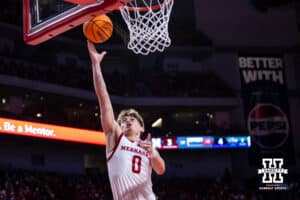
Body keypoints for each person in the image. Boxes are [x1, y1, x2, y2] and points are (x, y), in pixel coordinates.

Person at [87, 41, 166, 200]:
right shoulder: (116, 138)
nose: (128, 121)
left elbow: (161, 169)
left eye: (133, 119)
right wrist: (96, 65)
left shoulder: (147, 147)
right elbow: (104, 100)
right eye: (123, 120)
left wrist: (153, 154)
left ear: (142, 128)